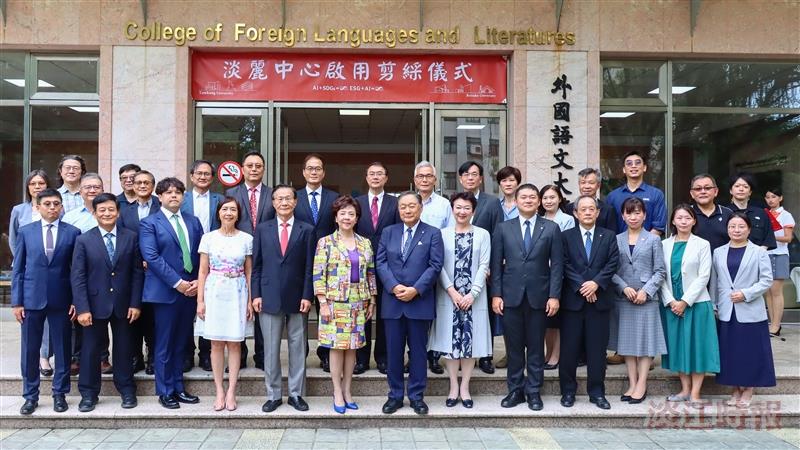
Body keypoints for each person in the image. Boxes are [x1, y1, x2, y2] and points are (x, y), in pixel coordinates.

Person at [491, 184, 563, 412]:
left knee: (535, 347)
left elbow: (557, 267)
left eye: (533, 197)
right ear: (516, 200)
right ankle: (515, 390)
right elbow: (496, 265)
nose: (528, 200)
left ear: (539, 202)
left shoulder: (551, 228)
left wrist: (554, 296)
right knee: (513, 348)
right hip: (510, 297)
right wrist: (496, 294)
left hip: (539, 297)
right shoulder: (503, 228)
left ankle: (533, 391)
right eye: (524, 197)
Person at [71, 193, 143, 412]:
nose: (107, 213)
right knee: (91, 350)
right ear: (94, 213)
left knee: (124, 349)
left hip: (124, 304)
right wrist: (82, 308)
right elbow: (78, 276)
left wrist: (135, 303)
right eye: (102, 210)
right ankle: (89, 394)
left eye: (111, 209)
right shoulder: (83, 240)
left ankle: (127, 390)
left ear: (118, 212)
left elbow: (137, 273)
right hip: (93, 305)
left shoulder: (130, 237)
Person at [11, 188, 81, 415]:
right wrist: (17, 302)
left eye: (56, 204)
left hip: (62, 299)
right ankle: (30, 395)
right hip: (31, 299)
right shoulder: (25, 231)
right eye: (48, 204)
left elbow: (75, 271)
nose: (52, 207)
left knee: (62, 349)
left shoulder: (73, 232)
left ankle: (59, 394)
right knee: (30, 350)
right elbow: (18, 269)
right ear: (38, 207)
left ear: (61, 207)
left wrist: (75, 300)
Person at [376, 191, 444, 415]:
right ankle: (395, 396)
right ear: (398, 209)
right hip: (393, 302)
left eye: (412, 206)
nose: (407, 210)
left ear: (420, 208)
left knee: (418, 353)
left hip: (419, 302)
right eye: (403, 206)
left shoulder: (432, 233)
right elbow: (381, 262)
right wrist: (394, 286)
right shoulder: (388, 232)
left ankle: (416, 396)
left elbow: (435, 266)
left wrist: (415, 289)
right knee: (393, 353)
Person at [139, 177, 203, 409]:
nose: (173, 195)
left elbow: (200, 255)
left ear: (183, 196)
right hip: (165, 292)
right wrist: (178, 283)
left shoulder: (193, 221)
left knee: (181, 343)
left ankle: (178, 387)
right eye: (168, 192)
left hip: (191, 290)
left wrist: (197, 282)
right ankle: (165, 390)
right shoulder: (150, 223)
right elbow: (152, 257)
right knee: (164, 344)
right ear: (160, 197)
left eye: (178, 192)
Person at [252, 185, 315, 413]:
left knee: (298, 348)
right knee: (270, 349)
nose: (284, 202)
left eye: (288, 198)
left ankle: (297, 394)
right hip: (268, 297)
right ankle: (274, 394)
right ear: (273, 202)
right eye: (279, 199)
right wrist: (255, 294)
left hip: (298, 298)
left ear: (296, 202)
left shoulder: (306, 229)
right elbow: (256, 266)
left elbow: (310, 267)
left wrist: (308, 295)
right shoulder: (262, 229)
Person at [315, 195, 377, 414]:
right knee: (335, 347)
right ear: (336, 217)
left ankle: (348, 389)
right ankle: (337, 391)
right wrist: (322, 302)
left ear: (357, 217)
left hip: (358, 302)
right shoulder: (325, 242)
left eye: (351, 213)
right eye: (343, 213)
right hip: (334, 302)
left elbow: (370, 273)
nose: (347, 217)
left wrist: (372, 299)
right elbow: (318, 274)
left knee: (353, 348)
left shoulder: (365, 243)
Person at [429, 192, 491, 409]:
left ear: (473, 211)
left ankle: (465, 387)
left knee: (470, 344)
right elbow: (439, 266)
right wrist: (453, 292)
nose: (462, 211)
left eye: (466, 208)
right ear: (452, 209)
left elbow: (484, 265)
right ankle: (453, 385)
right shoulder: (441, 234)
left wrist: (472, 294)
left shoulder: (483, 234)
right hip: (449, 297)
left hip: (474, 298)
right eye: (458, 207)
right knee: (450, 343)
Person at [559, 195, 619, 410]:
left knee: (597, 350)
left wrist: (596, 284)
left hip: (599, 301)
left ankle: (597, 392)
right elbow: (563, 264)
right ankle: (567, 391)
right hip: (572, 302)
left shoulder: (609, 236)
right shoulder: (565, 236)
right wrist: (583, 286)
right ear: (575, 213)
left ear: (597, 212)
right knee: (569, 350)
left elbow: (613, 263)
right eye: (582, 209)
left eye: (591, 209)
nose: (587, 212)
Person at [712, 212, 776, 408]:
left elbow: (766, 280)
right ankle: (734, 389)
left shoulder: (759, 252)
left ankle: (748, 390)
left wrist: (746, 293)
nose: (736, 230)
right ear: (727, 229)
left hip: (749, 309)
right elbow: (715, 281)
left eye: (741, 226)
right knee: (730, 353)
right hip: (726, 310)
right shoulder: (719, 252)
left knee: (749, 352)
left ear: (749, 229)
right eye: (732, 226)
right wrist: (715, 304)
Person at [195, 196, 253, 412]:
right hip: (214, 291)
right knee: (216, 343)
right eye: (225, 209)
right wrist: (200, 300)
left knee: (235, 343)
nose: (229, 213)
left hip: (237, 291)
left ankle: (232, 391)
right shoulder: (208, 238)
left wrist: (249, 300)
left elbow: (249, 272)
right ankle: (219, 390)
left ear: (238, 214)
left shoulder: (246, 238)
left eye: (233, 210)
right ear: (218, 212)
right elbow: (202, 271)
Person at [660, 204, 719, 408]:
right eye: (679, 218)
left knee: (697, 347)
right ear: (673, 222)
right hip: (671, 304)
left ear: (694, 221)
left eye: (687, 218)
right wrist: (671, 301)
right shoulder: (664, 244)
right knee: (677, 347)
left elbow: (704, 276)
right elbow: (661, 276)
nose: (683, 221)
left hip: (696, 303)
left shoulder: (702, 244)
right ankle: (684, 390)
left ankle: (695, 393)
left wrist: (685, 301)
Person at [609, 197, 666, 404]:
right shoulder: (615, 239)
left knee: (645, 345)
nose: (633, 217)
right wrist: (624, 288)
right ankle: (632, 383)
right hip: (624, 299)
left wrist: (646, 291)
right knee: (628, 346)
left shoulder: (653, 240)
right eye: (629, 213)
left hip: (646, 300)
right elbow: (611, 271)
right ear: (623, 215)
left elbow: (660, 271)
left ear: (644, 215)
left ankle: (642, 384)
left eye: (637, 212)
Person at [226, 151, 275, 370]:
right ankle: (240, 355)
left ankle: (263, 356)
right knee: (239, 307)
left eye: (258, 166)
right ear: (243, 169)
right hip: (238, 258)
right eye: (250, 166)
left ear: (263, 169)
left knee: (263, 306)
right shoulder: (230, 193)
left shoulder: (273, 194)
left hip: (266, 258)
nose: (254, 169)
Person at [293, 154, 340, 372]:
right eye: (310, 168)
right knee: (300, 309)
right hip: (299, 260)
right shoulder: (294, 197)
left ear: (323, 172)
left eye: (318, 168)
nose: (314, 172)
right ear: (303, 172)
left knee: (326, 309)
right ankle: (299, 353)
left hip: (328, 264)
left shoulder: (334, 197)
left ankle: (325, 354)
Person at [61, 173, 111, 376]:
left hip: (107, 274)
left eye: (96, 187)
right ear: (80, 191)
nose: (92, 190)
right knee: (79, 316)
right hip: (80, 272)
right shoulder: (71, 217)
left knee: (105, 313)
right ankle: (77, 357)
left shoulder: (110, 213)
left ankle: (102, 357)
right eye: (88, 187)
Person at [354, 162, 400, 375]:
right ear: (366, 177)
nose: (375, 177)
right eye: (371, 173)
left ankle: (383, 358)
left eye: (379, 174)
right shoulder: (357, 203)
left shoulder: (395, 203)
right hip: (360, 268)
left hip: (387, 267)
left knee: (385, 314)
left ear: (386, 178)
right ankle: (361, 359)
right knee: (363, 313)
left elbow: (400, 233)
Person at [457, 161, 502, 375]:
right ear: (460, 179)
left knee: (485, 314)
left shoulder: (492, 202)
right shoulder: (455, 201)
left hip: (484, 267)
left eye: (474, 174)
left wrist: (493, 266)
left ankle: (486, 356)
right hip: (459, 267)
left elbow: (498, 235)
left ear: (481, 178)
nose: (470, 178)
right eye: (466, 174)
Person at [181, 160, 225, 372]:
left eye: (207, 174)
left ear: (212, 178)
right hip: (186, 257)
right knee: (188, 309)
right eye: (199, 173)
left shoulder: (220, 200)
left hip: (214, 258)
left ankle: (206, 354)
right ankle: (187, 354)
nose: (203, 177)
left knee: (210, 308)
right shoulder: (182, 199)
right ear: (191, 176)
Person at [9, 169, 53, 377]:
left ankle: (44, 356)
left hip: (52, 275)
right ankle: (34, 358)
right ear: (28, 187)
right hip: (29, 275)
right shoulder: (19, 210)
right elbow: (14, 241)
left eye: (41, 183)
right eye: (33, 184)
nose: (37, 187)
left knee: (48, 320)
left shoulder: (54, 209)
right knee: (29, 319)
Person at [118, 170, 160, 375]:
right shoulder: (123, 211)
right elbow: (121, 239)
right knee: (132, 315)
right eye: (138, 182)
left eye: (147, 182)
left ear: (153, 186)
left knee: (152, 316)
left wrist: (151, 260)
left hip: (156, 272)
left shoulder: (162, 207)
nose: (142, 185)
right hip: (131, 271)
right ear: (132, 185)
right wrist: (138, 260)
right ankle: (136, 357)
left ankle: (153, 355)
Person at [413, 160, 452, 375]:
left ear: (435, 180)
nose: (425, 179)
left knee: (434, 313)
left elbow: (450, 235)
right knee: (413, 315)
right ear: (415, 180)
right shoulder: (406, 201)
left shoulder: (444, 205)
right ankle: (414, 356)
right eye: (421, 176)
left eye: (428, 176)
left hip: (436, 267)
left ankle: (433, 356)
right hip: (410, 268)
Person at [538, 184, 575, 372]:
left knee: (557, 318)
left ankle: (556, 355)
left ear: (560, 199)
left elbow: (564, 249)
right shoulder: (538, 219)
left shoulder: (567, 220)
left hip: (558, 274)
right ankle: (548, 352)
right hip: (540, 276)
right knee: (546, 319)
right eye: (545, 198)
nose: (549, 201)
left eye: (552, 197)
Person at [606, 151, 666, 236]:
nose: (633, 166)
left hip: (648, 247)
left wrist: (644, 245)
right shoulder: (612, 196)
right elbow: (608, 227)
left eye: (637, 163)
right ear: (624, 169)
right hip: (618, 246)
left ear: (644, 167)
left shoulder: (656, 194)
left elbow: (659, 226)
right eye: (629, 163)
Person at [764, 187, 794, 336]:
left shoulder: (786, 215)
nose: (771, 200)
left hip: (779, 254)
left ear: (780, 198)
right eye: (768, 197)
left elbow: (788, 238)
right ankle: (772, 323)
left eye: (774, 197)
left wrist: (769, 237)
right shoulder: (764, 214)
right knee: (767, 292)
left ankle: (776, 325)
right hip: (765, 254)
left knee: (776, 291)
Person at [727, 172, 777, 250]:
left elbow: (768, 238)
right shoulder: (724, 212)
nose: (741, 189)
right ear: (731, 190)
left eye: (745, 186)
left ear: (750, 192)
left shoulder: (761, 213)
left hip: (757, 257)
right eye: (737, 186)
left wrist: (757, 254)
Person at [689, 174, 734, 252]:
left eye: (707, 188)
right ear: (692, 194)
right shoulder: (686, 214)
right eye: (698, 189)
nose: (703, 192)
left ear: (715, 191)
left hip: (723, 262)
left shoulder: (728, 213)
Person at [565, 168, 618, 234]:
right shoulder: (569, 208)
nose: (586, 186)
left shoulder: (608, 210)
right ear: (579, 184)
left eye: (591, 183)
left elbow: (612, 235)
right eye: (583, 182)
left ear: (598, 185)